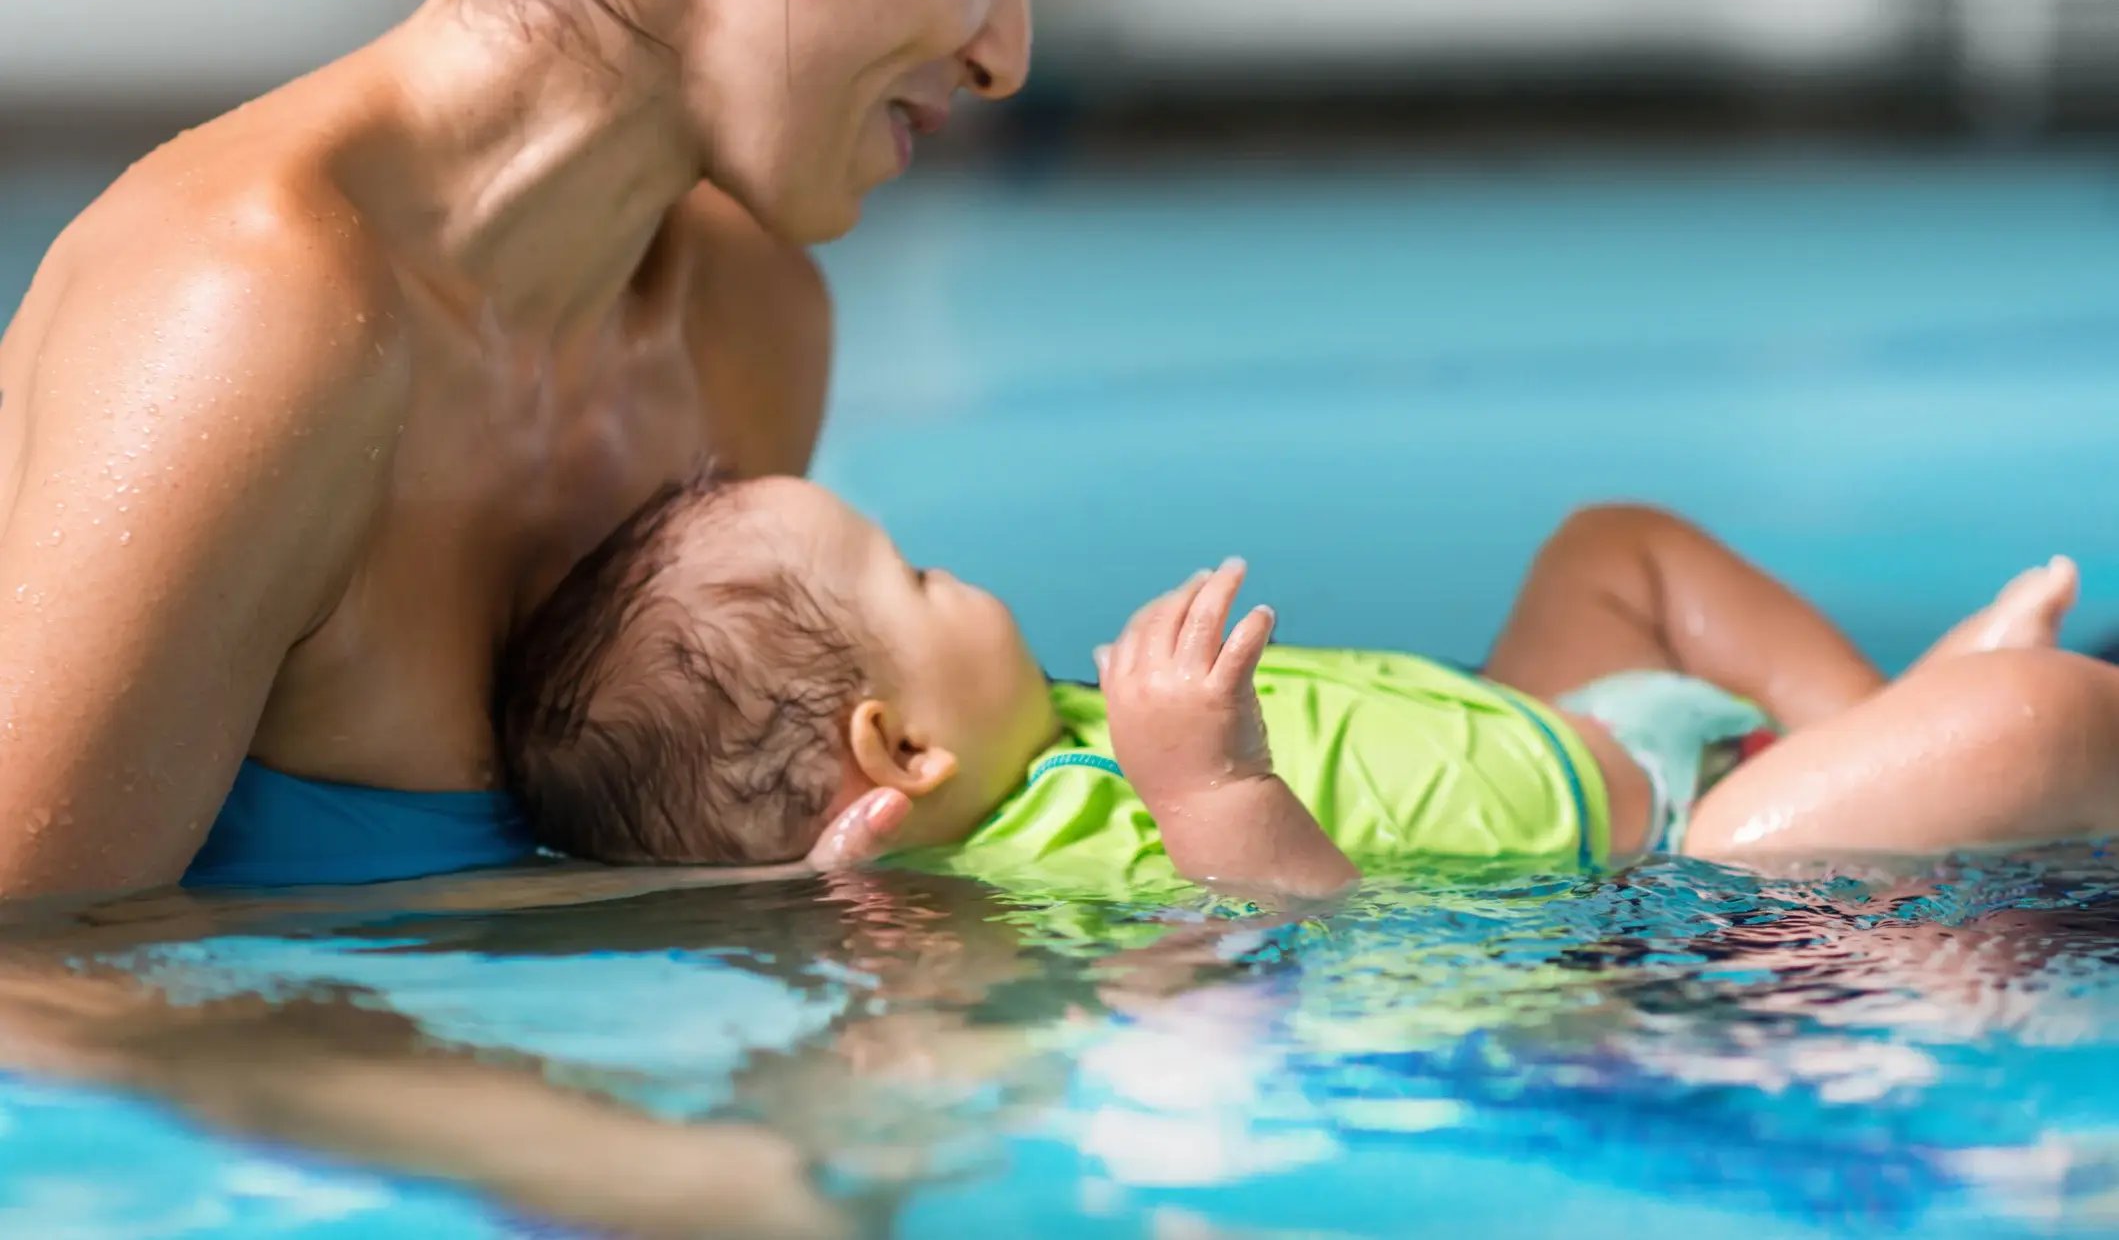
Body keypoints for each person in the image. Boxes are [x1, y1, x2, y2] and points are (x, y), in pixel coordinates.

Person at [0, 0, 1092, 897]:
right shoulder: (243, 311)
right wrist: (552, 1090)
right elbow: (34, 995)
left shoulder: (746, 319)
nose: (1007, 60)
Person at [497, 475, 2108, 898]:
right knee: (2039, 720)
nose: (952, 578)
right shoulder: (1048, 853)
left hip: (1565, 729)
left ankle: (1874, 725)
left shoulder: (1029, 727)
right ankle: (1932, 735)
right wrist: (1205, 790)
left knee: (1613, 546)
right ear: (897, 747)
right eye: (914, 576)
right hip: (1677, 847)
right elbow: (1295, 937)